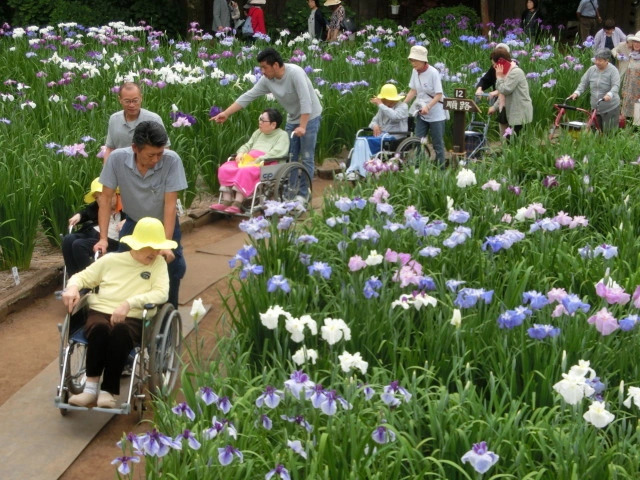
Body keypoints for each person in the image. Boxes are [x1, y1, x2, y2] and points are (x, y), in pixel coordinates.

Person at [63, 217, 175, 409]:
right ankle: (90, 389)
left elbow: (161, 293)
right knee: (99, 329)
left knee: (120, 332)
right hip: (101, 310)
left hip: (134, 316)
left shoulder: (158, 264)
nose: (156, 252)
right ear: (136, 245)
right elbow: (82, 277)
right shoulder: (111, 260)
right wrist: (72, 287)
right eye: (151, 247)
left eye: (158, 247)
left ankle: (108, 390)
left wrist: (129, 303)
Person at [95, 121, 187, 308]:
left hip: (162, 224)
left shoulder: (172, 160)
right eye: (151, 155)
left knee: (170, 266)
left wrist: (165, 244)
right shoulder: (117, 159)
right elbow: (105, 199)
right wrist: (103, 238)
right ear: (135, 148)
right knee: (124, 265)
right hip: (134, 222)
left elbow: (170, 206)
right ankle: (127, 311)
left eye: (160, 153)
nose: (156, 159)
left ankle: (168, 312)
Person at [213, 48, 322, 204]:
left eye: (265, 67)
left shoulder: (295, 73)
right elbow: (248, 96)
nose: (262, 71)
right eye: (261, 68)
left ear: (275, 65)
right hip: (293, 118)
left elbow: (306, 101)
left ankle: (303, 195)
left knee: (306, 157)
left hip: (310, 117)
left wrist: (303, 126)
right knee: (289, 157)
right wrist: (226, 113)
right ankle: (290, 192)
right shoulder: (267, 80)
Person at [210, 108, 290, 213]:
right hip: (248, 160)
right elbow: (247, 145)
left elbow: (277, 152)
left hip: (266, 163)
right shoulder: (258, 132)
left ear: (273, 124)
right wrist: (240, 153)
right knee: (224, 168)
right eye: (260, 119)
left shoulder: (282, 135)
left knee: (245, 171)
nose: (260, 122)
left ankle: (237, 203)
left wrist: (258, 160)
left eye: (263, 120)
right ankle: (226, 201)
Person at [337, 84, 408, 180]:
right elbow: (373, 121)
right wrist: (375, 125)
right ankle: (354, 170)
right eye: (383, 100)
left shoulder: (403, 106)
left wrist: (381, 105)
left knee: (365, 141)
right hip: (382, 136)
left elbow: (394, 116)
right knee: (361, 139)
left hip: (395, 137)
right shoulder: (383, 107)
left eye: (385, 99)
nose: (383, 101)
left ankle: (362, 171)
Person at [62, 178, 125, 277]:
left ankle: (89, 280)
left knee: (79, 245)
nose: (99, 200)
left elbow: (139, 216)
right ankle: (74, 279)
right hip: (93, 233)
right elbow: (86, 212)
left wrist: (127, 221)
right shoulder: (99, 204)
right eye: (96, 197)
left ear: (114, 193)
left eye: (102, 195)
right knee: (68, 239)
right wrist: (79, 215)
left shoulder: (127, 204)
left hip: (112, 240)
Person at [103, 82, 169, 164]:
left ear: (141, 98)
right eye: (127, 101)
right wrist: (106, 169)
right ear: (120, 100)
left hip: (147, 167)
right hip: (120, 167)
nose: (132, 105)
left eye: (135, 101)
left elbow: (165, 149)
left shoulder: (154, 119)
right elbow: (110, 149)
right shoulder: (114, 119)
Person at [404, 46, 446, 165]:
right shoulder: (414, 71)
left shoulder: (433, 72)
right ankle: (419, 166)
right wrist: (403, 104)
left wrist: (428, 107)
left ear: (423, 60)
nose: (413, 63)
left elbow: (438, 94)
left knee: (437, 142)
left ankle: (441, 168)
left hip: (436, 112)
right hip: (421, 111)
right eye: (412, 60)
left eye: (416, 61)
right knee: (417, 140)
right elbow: (413, 90)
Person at [569, 48, 620, 132]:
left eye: (600, 60)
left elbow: (616, 86)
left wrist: (609, 94)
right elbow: (583, 83)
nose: (597, 62)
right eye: (596, 60)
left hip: (610, 107)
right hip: (595, 106)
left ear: (607, 60)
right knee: (594, 130)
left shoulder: (613, 70)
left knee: (609, 132)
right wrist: (577, 93)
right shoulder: (592, 69)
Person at [491, 47, 533, 140]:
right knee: (508, 140)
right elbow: (503, 94)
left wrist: (499, 77)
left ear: (501, 63)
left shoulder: (516, 72)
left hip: (519, 113)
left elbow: (505, 90)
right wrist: (495, 107)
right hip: (510, 112)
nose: (494, 67)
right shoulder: (506, 74)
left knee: (513, 141)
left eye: (495, 65)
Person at [475, 43, 511, 137]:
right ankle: (504, 142)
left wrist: (496, 92)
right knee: (503, 127)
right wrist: (480, 88)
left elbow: (508, 87)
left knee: (511, 130)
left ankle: (509, 143)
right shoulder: (494, 67)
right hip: (500, 102)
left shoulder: (513, 69)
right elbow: (486, 80)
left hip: (511, 104)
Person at [621, 32, 640, 120]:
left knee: (637, 119)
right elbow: (628, 74)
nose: (636, 44)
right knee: (627, 119)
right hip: (629, 92)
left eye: (639, 42)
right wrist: (624, 89)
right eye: (635, 42)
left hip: (638, 93)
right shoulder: (632, 56)